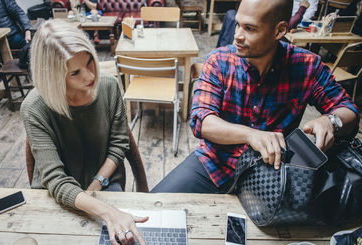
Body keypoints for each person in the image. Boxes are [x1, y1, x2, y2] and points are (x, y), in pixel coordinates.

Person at [152, 0, 359, 194]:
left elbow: (349, 110)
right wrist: (251, 134)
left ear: (280, 30)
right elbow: (202, 121)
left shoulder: (307, 66)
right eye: (238, 25)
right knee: (152, 207)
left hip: (272, 174)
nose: (237, 36)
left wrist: (330, 120)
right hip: (215, 165)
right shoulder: (219, 61)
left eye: (249, 28)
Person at [20, 19, 148, 245]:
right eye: (75, 72)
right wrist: (107, 212)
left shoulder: (109, 86)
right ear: (53, 76)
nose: (90, 76)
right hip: (54, 195)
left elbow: (119, 144)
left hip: (106, 184)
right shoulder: (34, 108)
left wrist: (96, 185)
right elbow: (56, 181)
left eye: (90, 62)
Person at [217, 0, 316, 47]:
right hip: (267, 16)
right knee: (231, 15)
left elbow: (309, 11)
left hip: (292, 22)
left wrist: (301, 10)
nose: (237, 36)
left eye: (249, 28)